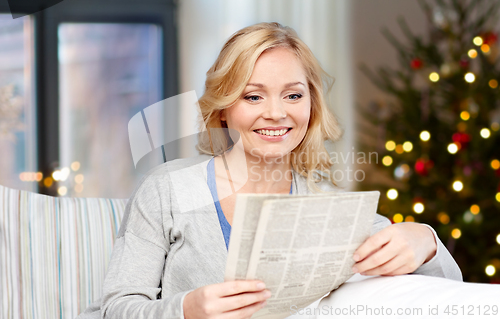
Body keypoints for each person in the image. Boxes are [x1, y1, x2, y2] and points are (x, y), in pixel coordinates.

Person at [77, 22, 461, 319]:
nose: (277, 113)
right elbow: (116, 308)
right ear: (224, 106)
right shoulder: (171, 189)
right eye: (253, 96)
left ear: (311, 104)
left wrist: (424, 240)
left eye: (293, 95)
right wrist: (186, 309)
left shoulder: (326, 204)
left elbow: (447, 290)